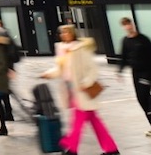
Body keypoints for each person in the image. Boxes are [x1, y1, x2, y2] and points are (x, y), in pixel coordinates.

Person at [42, 24, 119, 155]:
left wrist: (85, 83)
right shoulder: (62, 49)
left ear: (72, 33)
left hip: (82, 90)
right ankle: (111, 149)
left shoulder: (80, 49)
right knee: (94, 121)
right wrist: (49, 74)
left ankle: (71, 148)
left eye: (66, 32)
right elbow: (61, 69)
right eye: (61, 32)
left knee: (78, 121)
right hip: (71, 90)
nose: (63, 34)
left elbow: (93, 69)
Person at [117, 16, 151, 136]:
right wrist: (120, 71)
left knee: (144, 96)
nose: (128, 27)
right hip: (136, 73)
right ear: (123, 27)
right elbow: (123, 57)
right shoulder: (125, 41)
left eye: (129, 24)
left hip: (147, 72)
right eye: (125, 25)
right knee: (141, 99)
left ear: (133, 24)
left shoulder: (143, 39)